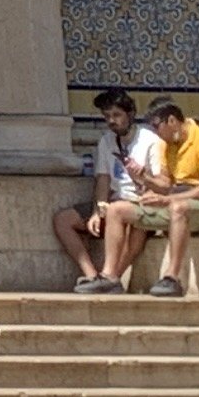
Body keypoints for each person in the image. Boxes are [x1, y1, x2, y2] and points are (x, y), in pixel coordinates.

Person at [106, 98, 199, 293]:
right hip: (174, 203)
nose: (156, 133)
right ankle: (110, 276)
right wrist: (144, 178)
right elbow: (164, 184)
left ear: (171, 121)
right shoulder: (166, 145)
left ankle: (172, 277)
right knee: (116, 210)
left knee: (178, 208)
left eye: (157, 126)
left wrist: (168, 199)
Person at [54, 91, 155, 291]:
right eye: (107, 116)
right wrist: (96, 211)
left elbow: (160, 181)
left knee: (127, 219)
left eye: (116, 115)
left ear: (130, 114)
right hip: (115, 200)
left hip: (139, 203)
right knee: (63, 220)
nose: (112, 121)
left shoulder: (149, 140)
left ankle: (112, 277)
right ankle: (92, 276)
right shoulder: (106, 141)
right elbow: (103, 179)